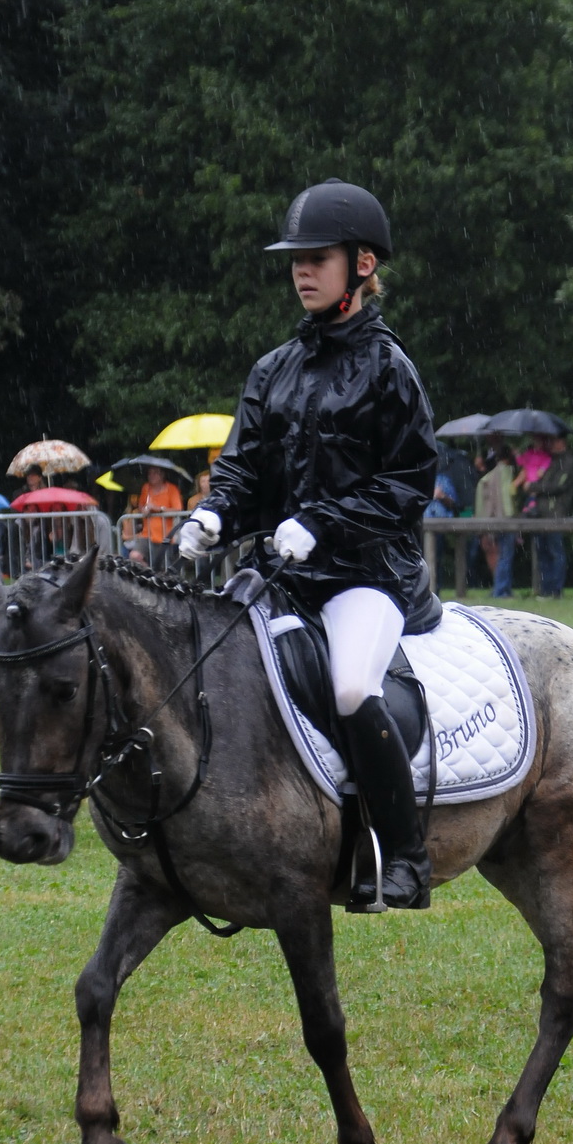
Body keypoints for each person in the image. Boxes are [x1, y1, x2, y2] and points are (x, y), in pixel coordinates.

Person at [179, 178, 438, 910]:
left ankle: (404, 856)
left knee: (353, 686)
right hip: (285, 573)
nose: (300, 270)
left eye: (316, 257)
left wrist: (324, 522)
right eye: (295, 258)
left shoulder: (390, 369)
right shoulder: (273, 368)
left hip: (369, 573)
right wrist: (215, 515)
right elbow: (243, 470)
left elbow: (409, 482)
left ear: (360, 264)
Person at [526, 434, 573, 598]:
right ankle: (544, 589)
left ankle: (556, 590)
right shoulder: (551, 460)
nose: (550, 444)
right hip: (541, 514)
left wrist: (535, 486)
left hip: (555, 513)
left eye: (554, 441)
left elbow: (558, 485)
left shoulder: (569, 461)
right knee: (542, 552)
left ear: (562, 442)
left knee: (555, 552)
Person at [478, 439, 518, 597]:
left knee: (501, 555)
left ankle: (501, 588)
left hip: (493, 519)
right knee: (505, 555)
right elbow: (506, 496)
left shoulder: (489, 475)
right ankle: (501, 590)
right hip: (505, 519)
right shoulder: (506, 471)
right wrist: (510, 516)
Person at [133, 464, 183, 572]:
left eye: (155, 473)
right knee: (135, 556)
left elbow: (177, 510)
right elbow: (141, 505)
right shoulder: (146, 488)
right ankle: (150, 577)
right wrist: (144, 509)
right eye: (150, 473)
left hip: (165, 535)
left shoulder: (171, 489)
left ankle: (158, 582)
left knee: (163, 568)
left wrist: (158, 509)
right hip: (147, 534)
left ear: (162, 475)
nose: (151, 475)